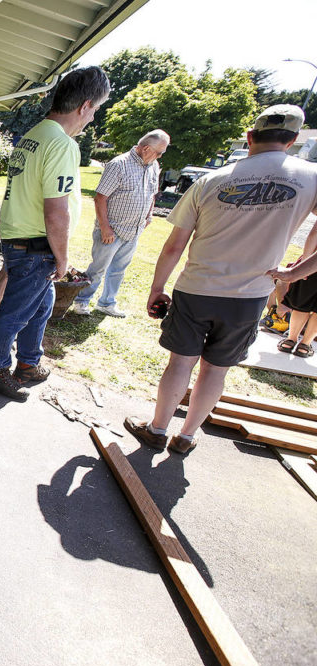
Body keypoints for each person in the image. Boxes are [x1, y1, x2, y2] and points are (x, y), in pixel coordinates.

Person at [125, 104, 317, 455]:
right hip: (250, 294)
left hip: (197, 288)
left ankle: (157, 429)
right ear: (291, 141)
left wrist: (157, 288)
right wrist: (296, 273)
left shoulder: (211, 179)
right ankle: (185, 437)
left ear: (250, 137)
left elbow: (173, 247)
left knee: (180, 362)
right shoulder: (310, 177)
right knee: (216, 369)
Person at [0, 66, 111, 401]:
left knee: (42, 305)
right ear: (84, 106)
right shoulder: (62, 145)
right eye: (95, 110)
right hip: (36, 245)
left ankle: (29, 363)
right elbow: (56, 211)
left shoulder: (34, 135)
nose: (92, 119)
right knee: (14, 312)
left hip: (19, 237)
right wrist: (63, 260)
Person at [73, 130, 170, 317]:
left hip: (134, 230)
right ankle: (81, 301)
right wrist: (105, 228)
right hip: (112, 230)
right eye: (159, 152)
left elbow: (152, 194)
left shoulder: (153, 165)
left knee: (118, 269)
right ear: (146, 148)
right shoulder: (119, 164)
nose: (160, 156)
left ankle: (107, 303)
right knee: (98, 268)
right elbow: (100, 197)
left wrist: (148, 217)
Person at [277, 225, 317, 357]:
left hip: (313, 263)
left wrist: (304, 265)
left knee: (302, 304)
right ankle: (304, 346)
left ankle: (290, 340)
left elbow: (314, 235)